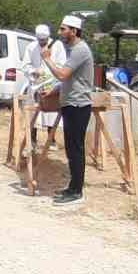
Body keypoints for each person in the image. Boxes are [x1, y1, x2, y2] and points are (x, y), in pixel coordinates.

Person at [41, 15, 96, 207]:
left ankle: (77, 191)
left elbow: (63, 74)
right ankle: (72, 187)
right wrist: (53, 91)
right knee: (71, 149)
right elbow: (68, 79)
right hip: (70, 103)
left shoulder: (80, 50)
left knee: (76, 149)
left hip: (78, 105)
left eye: (63, 29)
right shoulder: (72, 49)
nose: (60, 33)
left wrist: (47, 59)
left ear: (74, 31)